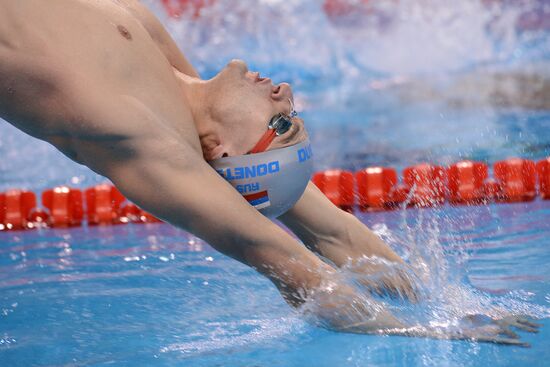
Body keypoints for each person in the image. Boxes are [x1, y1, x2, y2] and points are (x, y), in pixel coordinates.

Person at [0, 0, 539, 345]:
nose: (285, 94)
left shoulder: (132, 135)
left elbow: (292, 265)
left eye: (280, 123)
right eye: (290, 120)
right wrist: (449, 301)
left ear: (221, 149)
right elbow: (332, 231)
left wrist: (430, 334)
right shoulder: (182, 89)